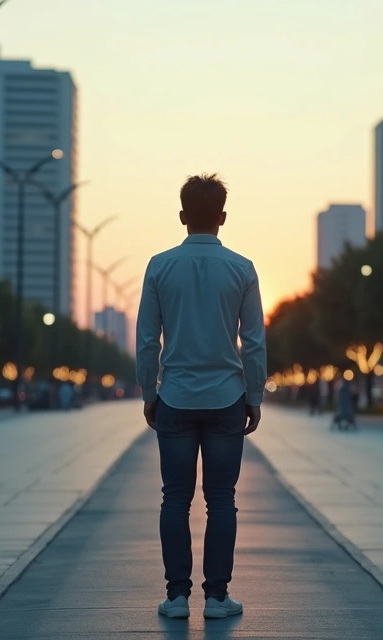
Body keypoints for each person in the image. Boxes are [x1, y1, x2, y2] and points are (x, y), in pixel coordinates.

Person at [137, 174, 265, 621]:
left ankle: (176, 598)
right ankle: (216, 598)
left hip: (174, 394)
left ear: (182, 216)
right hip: (227, 397)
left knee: (174, 498)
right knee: (221, 499)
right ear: (223, 218)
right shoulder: (242, 268)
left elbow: (147, 339)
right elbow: (252, 340)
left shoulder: (159, 266)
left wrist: (148, 389)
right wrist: (255, 394)